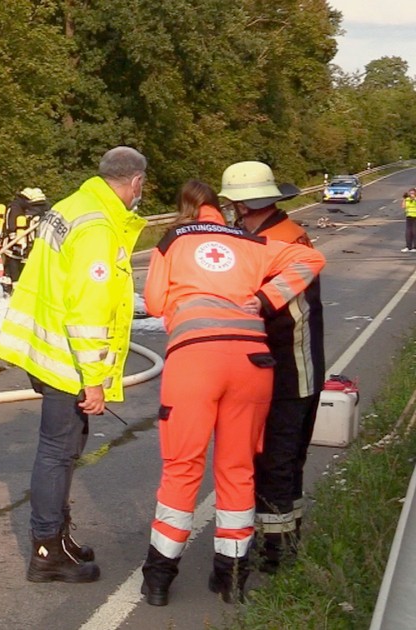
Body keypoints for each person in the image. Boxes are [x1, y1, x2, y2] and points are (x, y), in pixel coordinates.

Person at [140, 180, 325, 606]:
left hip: (195, 362)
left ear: (184, 209)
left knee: (182, 467)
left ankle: (159, 579)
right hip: (252, 364)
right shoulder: (250, 240)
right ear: (223, 208)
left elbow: (152, 303)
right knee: (238, 468)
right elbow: (310, 258)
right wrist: (264, 299)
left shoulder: (171, 241)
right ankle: (232, 576)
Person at [0, 146, 148, 583]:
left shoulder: (71, 206)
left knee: (64, 448)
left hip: (46, 349)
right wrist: (94, 380)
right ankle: (46, 551)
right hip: (67, 359)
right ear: (135, 182)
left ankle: (57, 537)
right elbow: (89, 311)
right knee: (58, 453)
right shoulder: (98, 228)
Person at [219, 161, 325, 573]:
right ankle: (288, 537)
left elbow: (256, 306)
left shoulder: (269, 243)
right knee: (288, 459)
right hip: (301, 364)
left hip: (286, 369)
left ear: (244, 205)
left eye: (234, 205)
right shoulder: (282, 233)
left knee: (275, 460)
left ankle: (276, 553)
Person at [0, 187, 50, 294]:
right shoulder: (15, 208)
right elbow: (12, 225)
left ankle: (10, 285)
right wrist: (16, 241)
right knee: (13, 263)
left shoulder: (24, 209)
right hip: (14, 241)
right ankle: (13, 287)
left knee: (13, 264)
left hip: (21, 241)